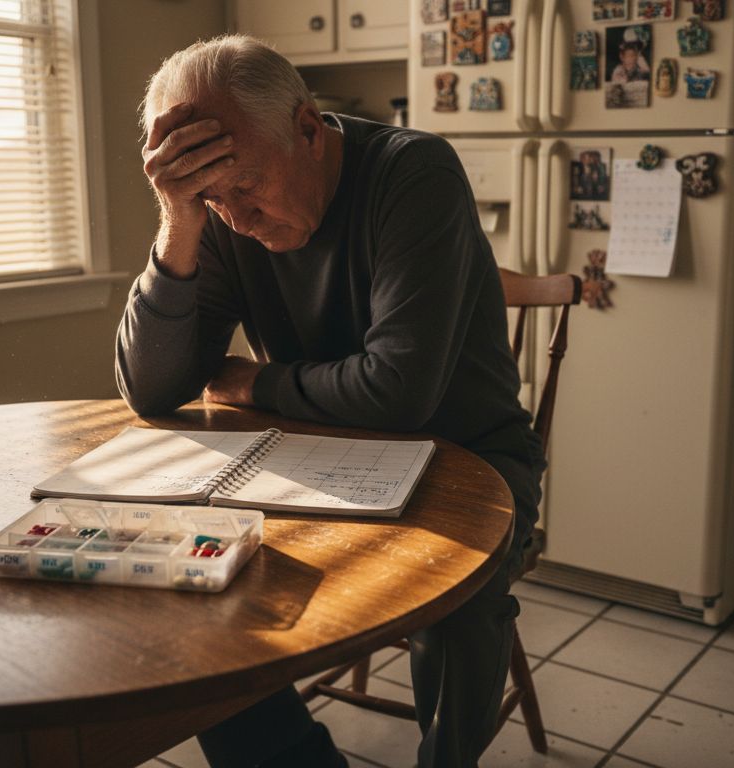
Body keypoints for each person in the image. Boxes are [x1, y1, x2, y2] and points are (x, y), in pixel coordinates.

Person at [116, 35, 545, 768]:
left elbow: (398, 394)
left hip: (471, 461)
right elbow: (151, 391)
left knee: (459, 598)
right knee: (191, 572)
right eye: (211, 199)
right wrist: (179, 219)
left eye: (245, 186)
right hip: (316, 459)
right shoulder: (222, 214)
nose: (238, 217)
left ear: (308, 129)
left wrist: (255, 382)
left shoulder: (414, 171)